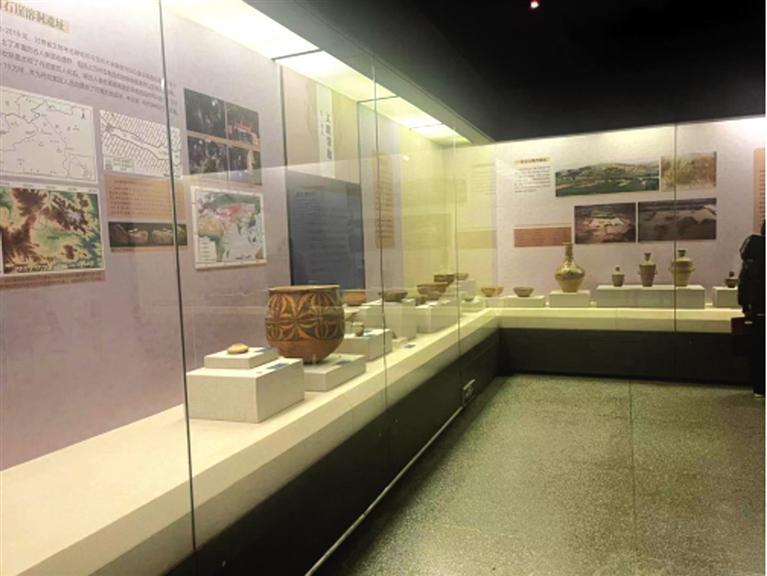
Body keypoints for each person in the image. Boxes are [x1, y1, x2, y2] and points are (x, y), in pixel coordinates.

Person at [738, 221, 765, 396]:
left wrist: (744, 306)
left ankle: (759, 387)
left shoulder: (752, 253)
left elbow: (744, 282)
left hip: (758, 308)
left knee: (758, 348)